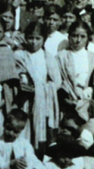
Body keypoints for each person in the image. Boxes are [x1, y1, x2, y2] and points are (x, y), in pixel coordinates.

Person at [14, 20, 62, 151]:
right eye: (30, 38)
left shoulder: (48, 57)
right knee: (24, 132)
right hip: (24, 101)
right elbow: (17, 75)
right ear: (25, 38)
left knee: (40, 132)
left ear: (44, 39)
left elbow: (57, 82)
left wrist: (43, 88)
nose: (34, 42)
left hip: (43, 103)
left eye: (38, 38)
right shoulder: (19, 55)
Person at [57, 21, 94, 122]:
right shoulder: (61, 56)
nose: (78, 40)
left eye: (82, 36)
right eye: (74, 36)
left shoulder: (93, 58)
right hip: (67, 102)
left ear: (87, 38)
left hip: (88, 103)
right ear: (69, 37)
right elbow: (57, 81)